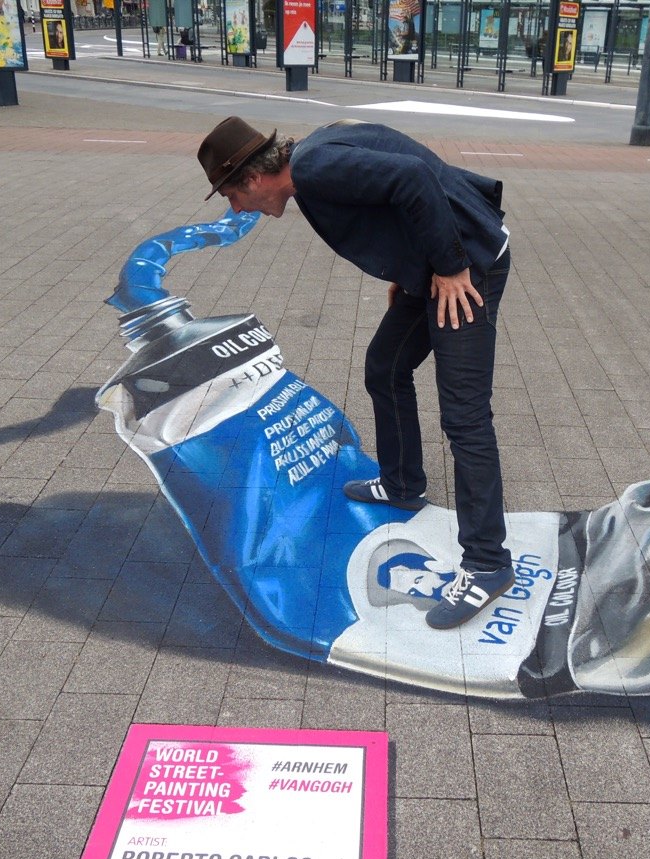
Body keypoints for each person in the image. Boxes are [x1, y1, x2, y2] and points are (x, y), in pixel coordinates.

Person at [196, 116, 516, 630]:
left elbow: (414, 175)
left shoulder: (317, 168)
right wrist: (411, 271)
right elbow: (392, 172)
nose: (238, 209)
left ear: (253, 179)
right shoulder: (312, 155)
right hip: (434, 266)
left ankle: (487, 564)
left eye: (233, 196)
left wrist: (449, 265)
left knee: (465, 417)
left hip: (466, 266)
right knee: (384, 367)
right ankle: (402, 482)